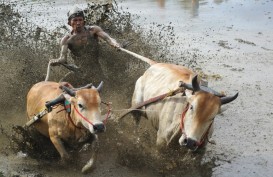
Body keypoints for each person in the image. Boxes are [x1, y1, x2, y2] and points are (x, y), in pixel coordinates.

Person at [45, 6, 120, 111]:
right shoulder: (66, 39)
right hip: (79, 71)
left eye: (80, 20)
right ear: (69, 23)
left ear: (84, 21)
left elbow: (108, 38)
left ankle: (107, 111)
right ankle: (66, 111)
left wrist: (114, 43)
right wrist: (56, 61)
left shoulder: (93, 30)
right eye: (75, 20)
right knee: (61, 86)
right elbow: (63, 59)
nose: (78, 23)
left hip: (96, 71)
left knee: (104, 91)